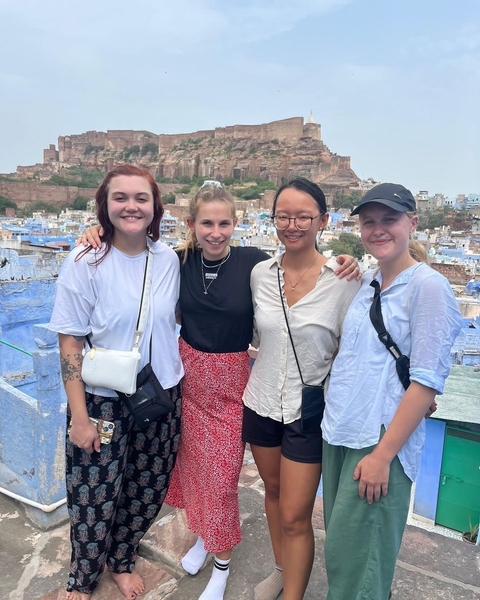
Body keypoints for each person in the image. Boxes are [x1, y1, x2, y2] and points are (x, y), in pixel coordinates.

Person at [81, 181, 359, 600]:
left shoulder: (255, 263)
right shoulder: (175, 261)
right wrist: (98, 231)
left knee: (221, 478)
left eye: (224, 223)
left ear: (236, 223)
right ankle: (203, 539)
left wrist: (348, 260)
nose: (215, 232)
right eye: (206, 223)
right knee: (193, 471)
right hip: (186, 380)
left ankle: (223, 565)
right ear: (191, 224)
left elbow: (303, 273)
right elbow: (131, 255)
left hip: (233, 388)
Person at [321, 183, 463, 600]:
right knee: (344, 555)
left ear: (413, 224)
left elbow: (426, 382)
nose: (378, 229)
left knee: (363, 565)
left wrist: (383, 456)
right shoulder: (367, 284)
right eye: (370, 222)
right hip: (343, 430)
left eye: (390, 220)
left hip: (380, 439)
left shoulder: (428, 287)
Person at [49, 165, 184, 600]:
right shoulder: (85, 260)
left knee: (147, 485)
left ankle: (121, 558)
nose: (131, 206)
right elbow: (69, 342)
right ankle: (82, 578)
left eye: (141, 198)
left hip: (159, 392)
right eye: (120, 198)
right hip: (102, 398)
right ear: (104, 206)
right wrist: (79, 418)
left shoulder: (167, 259)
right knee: (93, 493)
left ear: (155, 206)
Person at [242, 177, 361, 600]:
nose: (292, 225)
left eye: (303, 216)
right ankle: (281, 569)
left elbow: (354, 351)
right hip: (259, 402)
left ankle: (293, 594)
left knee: (296, 515)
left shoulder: (345, 281)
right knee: (272, 495)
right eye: (283, 216)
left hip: (308, 412)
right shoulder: (260, 274)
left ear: (323, 220)